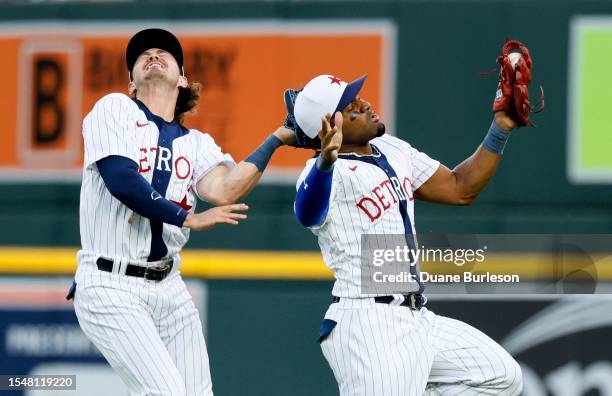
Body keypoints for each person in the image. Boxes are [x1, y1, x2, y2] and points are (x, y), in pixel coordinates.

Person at [68, 28, 292, 396]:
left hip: (168, 288)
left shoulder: (197, 144)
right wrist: (187, 217)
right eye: (143, 54)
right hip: (111, 282)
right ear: (131, 82)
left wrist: (277, 138)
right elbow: (120, 178)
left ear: (183, 78)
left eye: (164, 52)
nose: (153, 55)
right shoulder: (114, 108)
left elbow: (225, 189)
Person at [287, 74, 523, 395]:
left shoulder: (390, 148)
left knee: (499, 376)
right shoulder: (327, 173)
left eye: (359, 98)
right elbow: (307, 211)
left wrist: (500, 129)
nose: (366, 104)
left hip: (417, 317)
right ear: (330, 126)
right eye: (353, 107)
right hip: (368, 322)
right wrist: (325, 162)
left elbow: (459, 188)